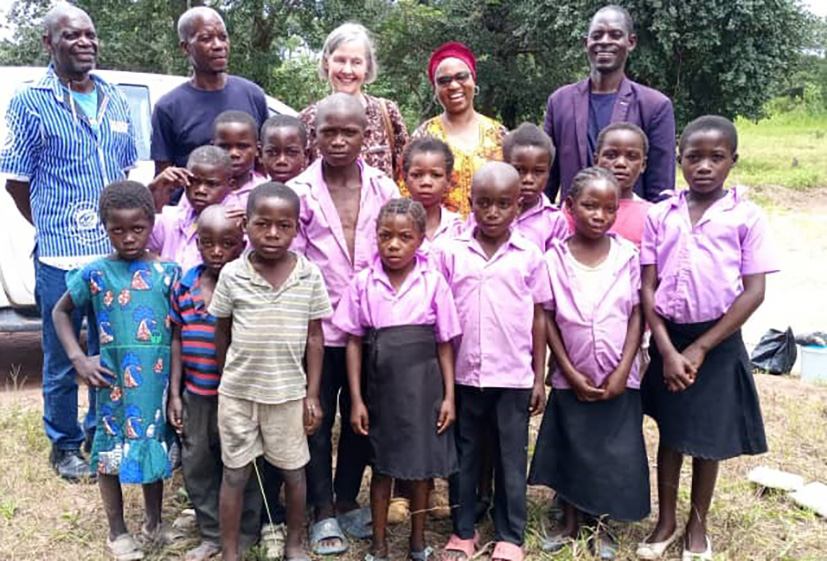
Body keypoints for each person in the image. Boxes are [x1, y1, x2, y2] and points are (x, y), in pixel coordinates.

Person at [0, 4, 138, 481]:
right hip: (60, 255)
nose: (85, 42)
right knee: (61, 358)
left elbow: (123, 173)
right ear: (48, 43)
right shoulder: (29, 101)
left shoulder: (115, 99)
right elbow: (16, 182)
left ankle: (98, 431)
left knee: (110, 347)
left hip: (112, 255)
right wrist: (53, 225)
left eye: (90, 34)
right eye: (71, 35)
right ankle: (63, 444)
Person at [637, 116, 778, 560]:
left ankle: (698, 528)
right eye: (693, 157)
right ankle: (665, 521)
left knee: (707, 439)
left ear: (733, 161)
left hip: (715, 342)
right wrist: (665, 347)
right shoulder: (661, 214)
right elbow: (647, 286)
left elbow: (754, 291)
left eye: (716, 157)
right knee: (672, 434)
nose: (704, 166)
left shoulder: (746, 217)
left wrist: (699, 348)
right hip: (668, 338)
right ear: (679, 160)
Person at [287, 93, 400, 555]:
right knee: (315, 419)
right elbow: (289, 263)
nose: (337, 141)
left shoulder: (384, 188)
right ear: (313, 137)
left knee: (363, 419)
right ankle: (321, 509)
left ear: (364, 135)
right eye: (327, 132)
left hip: (371, 328)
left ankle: (346, 496)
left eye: (348, 132)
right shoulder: (298, 192)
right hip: (316, 330)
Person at [52, 181, 180, 560]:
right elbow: (60, 312)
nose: (128, 238)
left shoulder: (169, 273)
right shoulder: (95, 273)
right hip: (111, 383)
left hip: (155, 381)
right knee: (109, 455)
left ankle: (154, 522)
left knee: (153, 448)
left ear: (152, 223)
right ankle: (117, 531)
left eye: (137, 229)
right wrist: (78, 358)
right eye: (117, 230)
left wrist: (175, 389)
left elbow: (179, 331)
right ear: (104, 227)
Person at [528, 167, 648, 560]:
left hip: (619, 374)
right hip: (572, 374)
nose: (599, 215)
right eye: (590, 206)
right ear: (569, 207)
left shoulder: (628, 256)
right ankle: (569, 519)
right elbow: (545, 316)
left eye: (609, 208)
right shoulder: (553, 258)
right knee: (572, 446)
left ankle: (601, 525)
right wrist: (566, 370)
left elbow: (635, 315)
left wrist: (624, 368)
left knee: (612, 453)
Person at [433, 162, 551, 561]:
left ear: (518, 206)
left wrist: (538, 375)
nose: (493, 212)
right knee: (464, 454)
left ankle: (510, 535)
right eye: (484, 203)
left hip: (513, 376)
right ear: (470, 203)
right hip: (464, 374)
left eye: (504, 204)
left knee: (509, 457)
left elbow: (539, 316)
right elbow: (439, 314)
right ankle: (463, 531)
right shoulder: (449, 251)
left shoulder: (530, 255)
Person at [209, 183, 332, 561]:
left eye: (284, 225)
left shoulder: (308, 275)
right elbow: (222, 331)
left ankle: (294, 543)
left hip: (288, 394)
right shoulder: (232, 274)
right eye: (263, 224)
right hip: (239, 395)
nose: (273, 234)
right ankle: (229, 551)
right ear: (246, 225)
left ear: (297, 228)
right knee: (235, 474)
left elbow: (315, 337)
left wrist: (312, 394)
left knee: (294, 473)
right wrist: (225, 381)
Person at [333, 198, 461, 561]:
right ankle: (379, 543)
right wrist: (356, 399)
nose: (393, 244)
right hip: (380, 388)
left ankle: (418, 542)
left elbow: (444, 344)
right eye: (385, 236)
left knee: (420, 469)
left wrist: (449, 396)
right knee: (383, 466)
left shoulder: (433, 282)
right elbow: (354, 342)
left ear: (421, 240)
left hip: (424, 388)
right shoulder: (364, 282)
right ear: (375, 237)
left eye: (405, 237)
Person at [167, 206, 263, 561]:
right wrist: (175, 393)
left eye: (227, 243)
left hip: (239, 395)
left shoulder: (248, 285)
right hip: (197, 395)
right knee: (197, 463)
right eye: (208, 243)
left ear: (241, 244)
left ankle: (246, 531)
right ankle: (211, 532)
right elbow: (176, 339)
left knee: (243, 464)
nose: (217, 251)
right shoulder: (185, 285)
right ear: (197, 243)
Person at [544, 5, 675, 203]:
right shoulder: (560, 101)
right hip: (571, 225)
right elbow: (547, 179)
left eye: (615, 35)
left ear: (631, 42)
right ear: (585, 42)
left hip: (631, 227)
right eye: (597, 35)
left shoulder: (654, 106)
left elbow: (661, 187)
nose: (604, 42)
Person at [256, 114, 310, 559]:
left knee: (292, 445)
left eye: (292, 151)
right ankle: (264, 518)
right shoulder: (253, 202)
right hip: (253, 359)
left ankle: (296, 523)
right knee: (251, 448)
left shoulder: (303, 195)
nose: (281, 160)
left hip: (295, 347)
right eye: (272, 151)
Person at [151, 6, 267, 202]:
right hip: (193, 221)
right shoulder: (168, 107)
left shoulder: (252, 95)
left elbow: (263, 162)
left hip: (245, 216)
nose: (218, 45)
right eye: (206, 39)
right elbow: (165, 179)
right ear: (185, 47)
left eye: (223, 37)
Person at [409, 42, 508, 218]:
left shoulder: (499, 135)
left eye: (461, 77)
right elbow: (407, 196)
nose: (454, 85)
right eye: (444, 81)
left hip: (490, 241)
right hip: (437, 241)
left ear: (473, 79)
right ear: (435, 89)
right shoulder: (422, 138)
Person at [299, 22, 408, 180]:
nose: (347, 70)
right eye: (340, 60)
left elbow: (406, 173)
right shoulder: (308, 119)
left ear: (367, 67)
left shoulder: (386, 113)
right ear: (326, 62)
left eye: (356, 62)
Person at [147, 146, 233, 272]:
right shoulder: (172, 218)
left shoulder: (235, 223)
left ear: (230, 185)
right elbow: (132, 232)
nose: (200, 190)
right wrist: (153, 189)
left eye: (211, 184)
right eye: (193, 181)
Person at [502, 123, 569, 251]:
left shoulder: (554, 221)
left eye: (538, 172)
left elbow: (558, 266)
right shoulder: (492, 211)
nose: (528, 180)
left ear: (549, 172)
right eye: (519, 170)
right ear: (505, 166)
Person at [587, 122, 652, 248]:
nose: (621, 163)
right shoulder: (576, 209)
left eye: (632, 157)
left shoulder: (653, 215)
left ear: (643, 165)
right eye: (611, 156)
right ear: (596, 161)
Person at [403, 137, 461, 258]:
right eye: (417, 175)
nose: (426, 182)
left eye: (436, 175)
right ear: (405, 178)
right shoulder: (394, 227)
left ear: (449, 180)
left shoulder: (459, 228)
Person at [260, 115, 310, 183]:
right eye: (272, 153)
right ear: (260, 154)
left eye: (291, 153)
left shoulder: (312, 192)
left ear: (306, 155)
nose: (281, 161)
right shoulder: (255, 192)